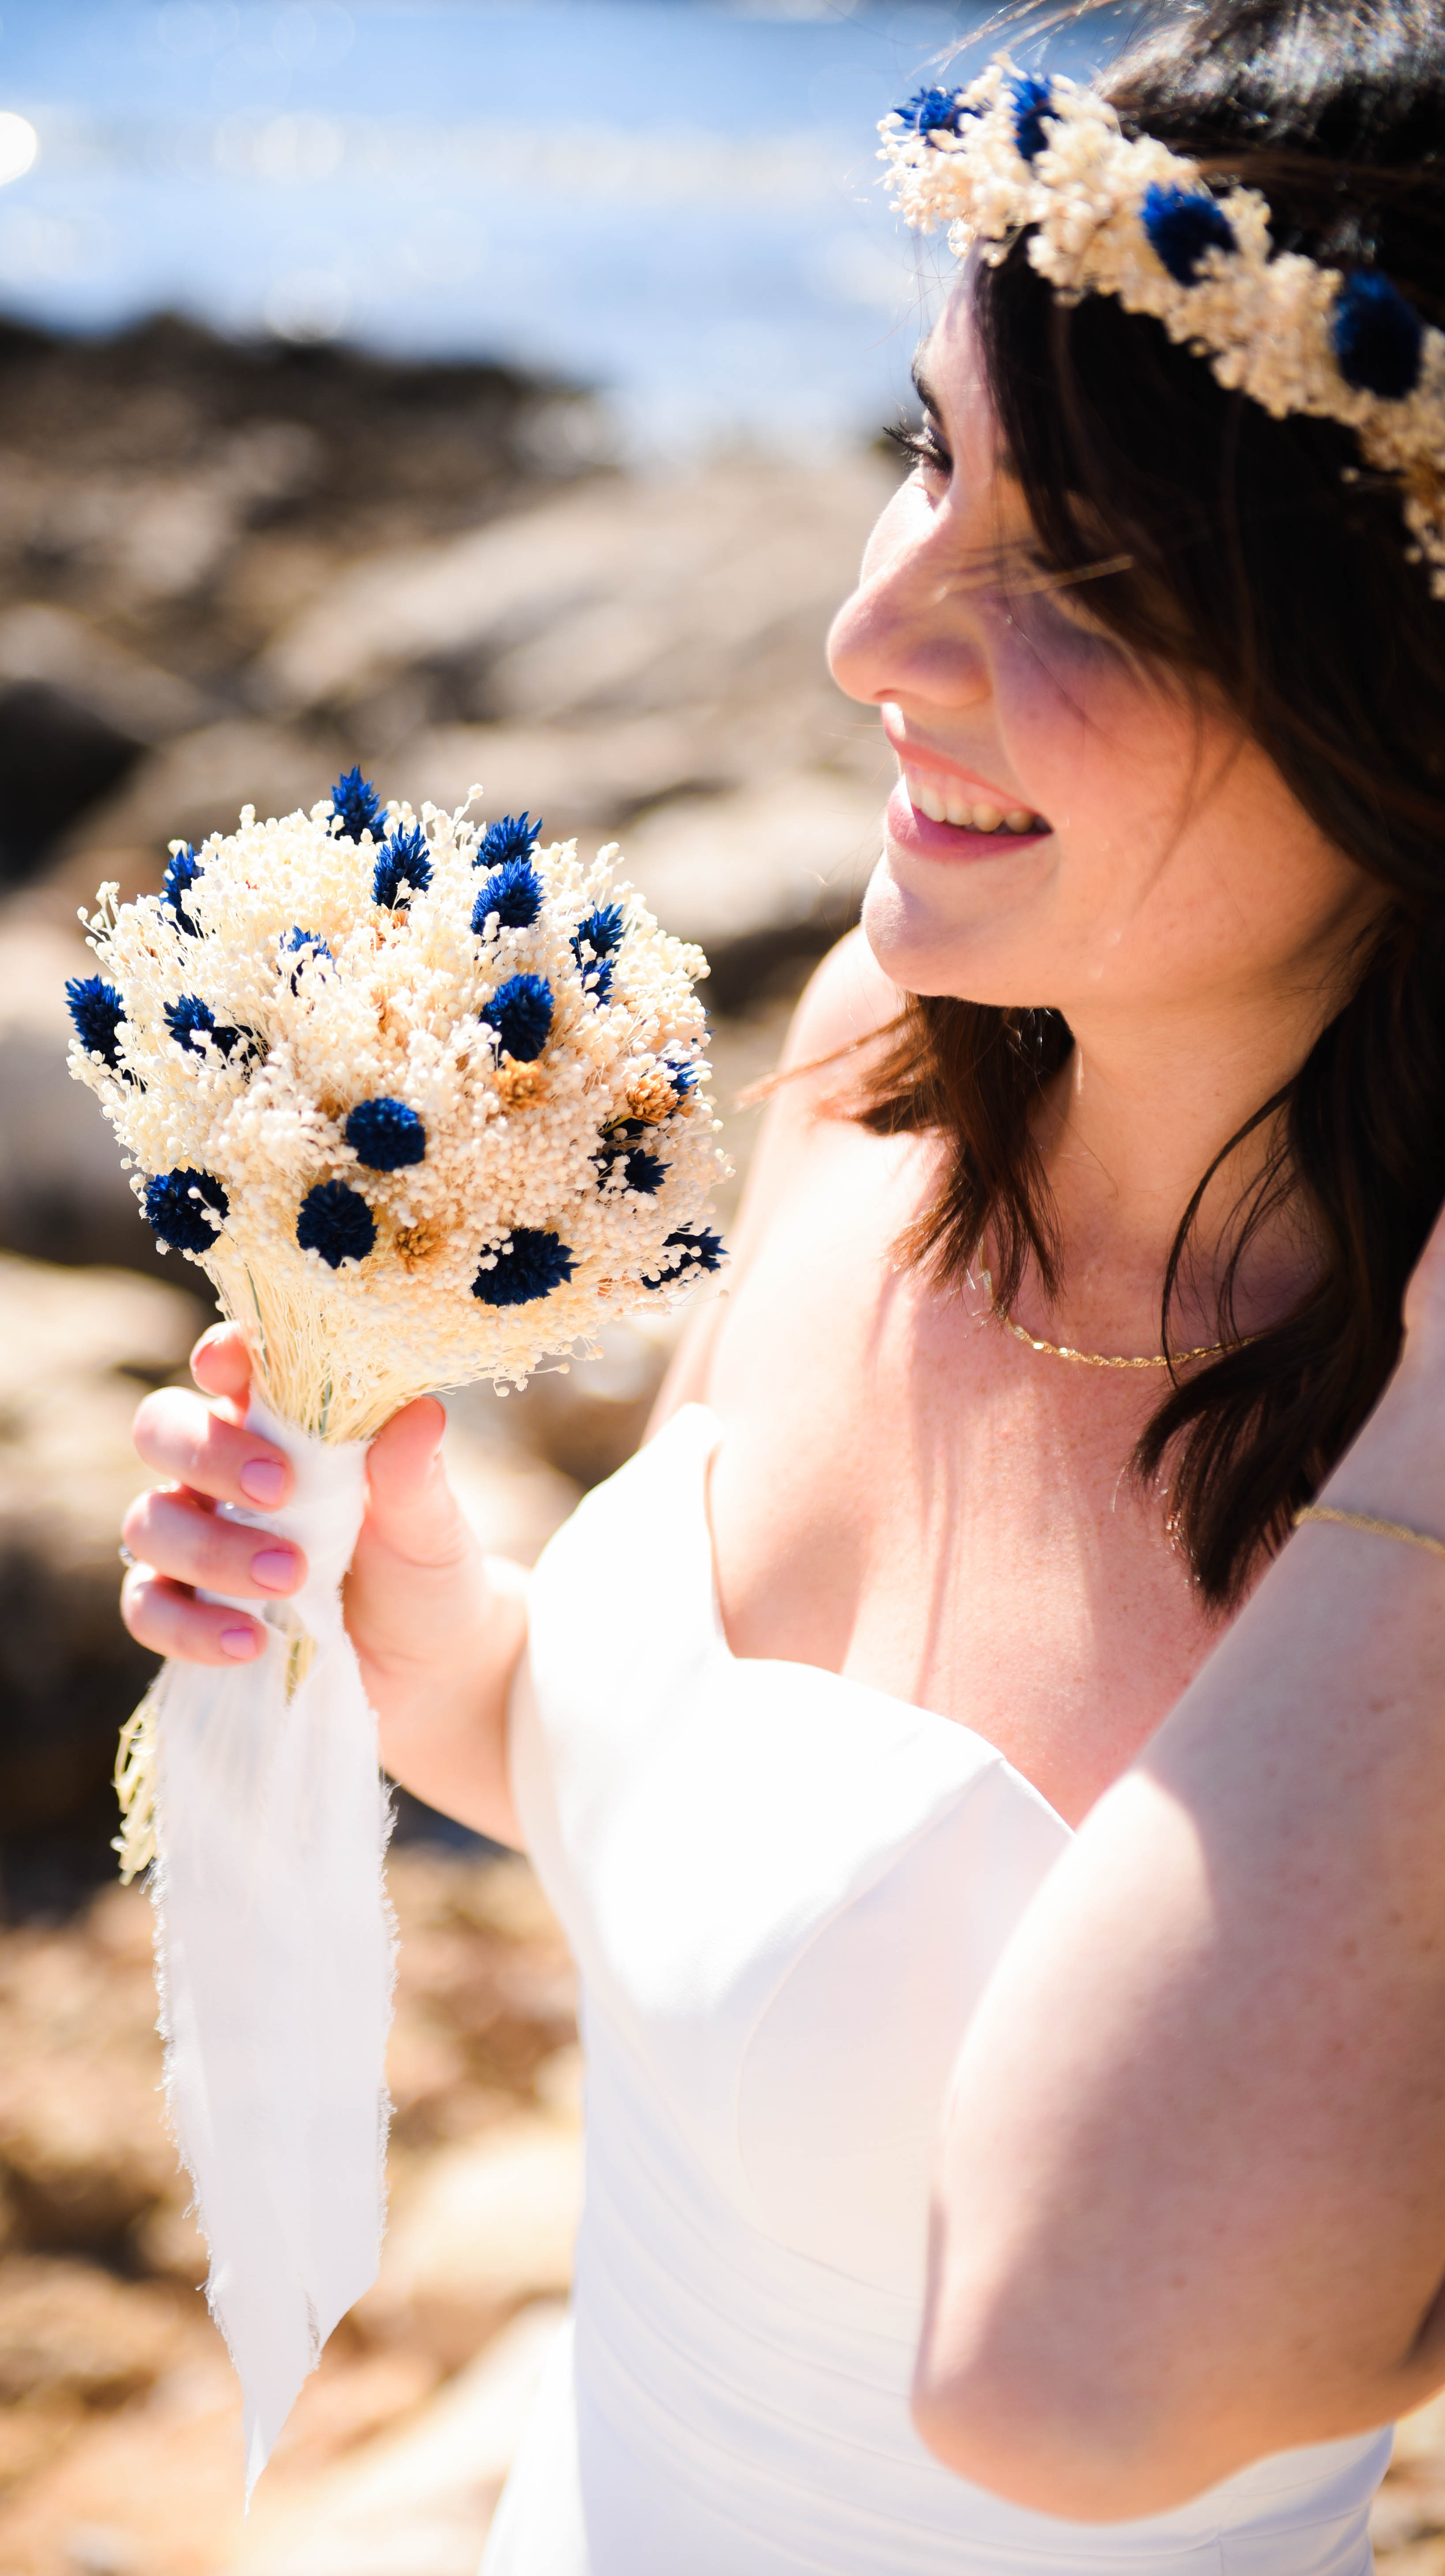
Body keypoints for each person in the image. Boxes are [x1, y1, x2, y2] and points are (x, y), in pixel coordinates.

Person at [116, 0, 1445, 2563]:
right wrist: (423, 1622)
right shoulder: (884, 1062)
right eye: (927, 455)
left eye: (1080, 575)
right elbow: (691, 1856)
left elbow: (1071, 2371)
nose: (872, 636)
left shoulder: (1407, 1534)